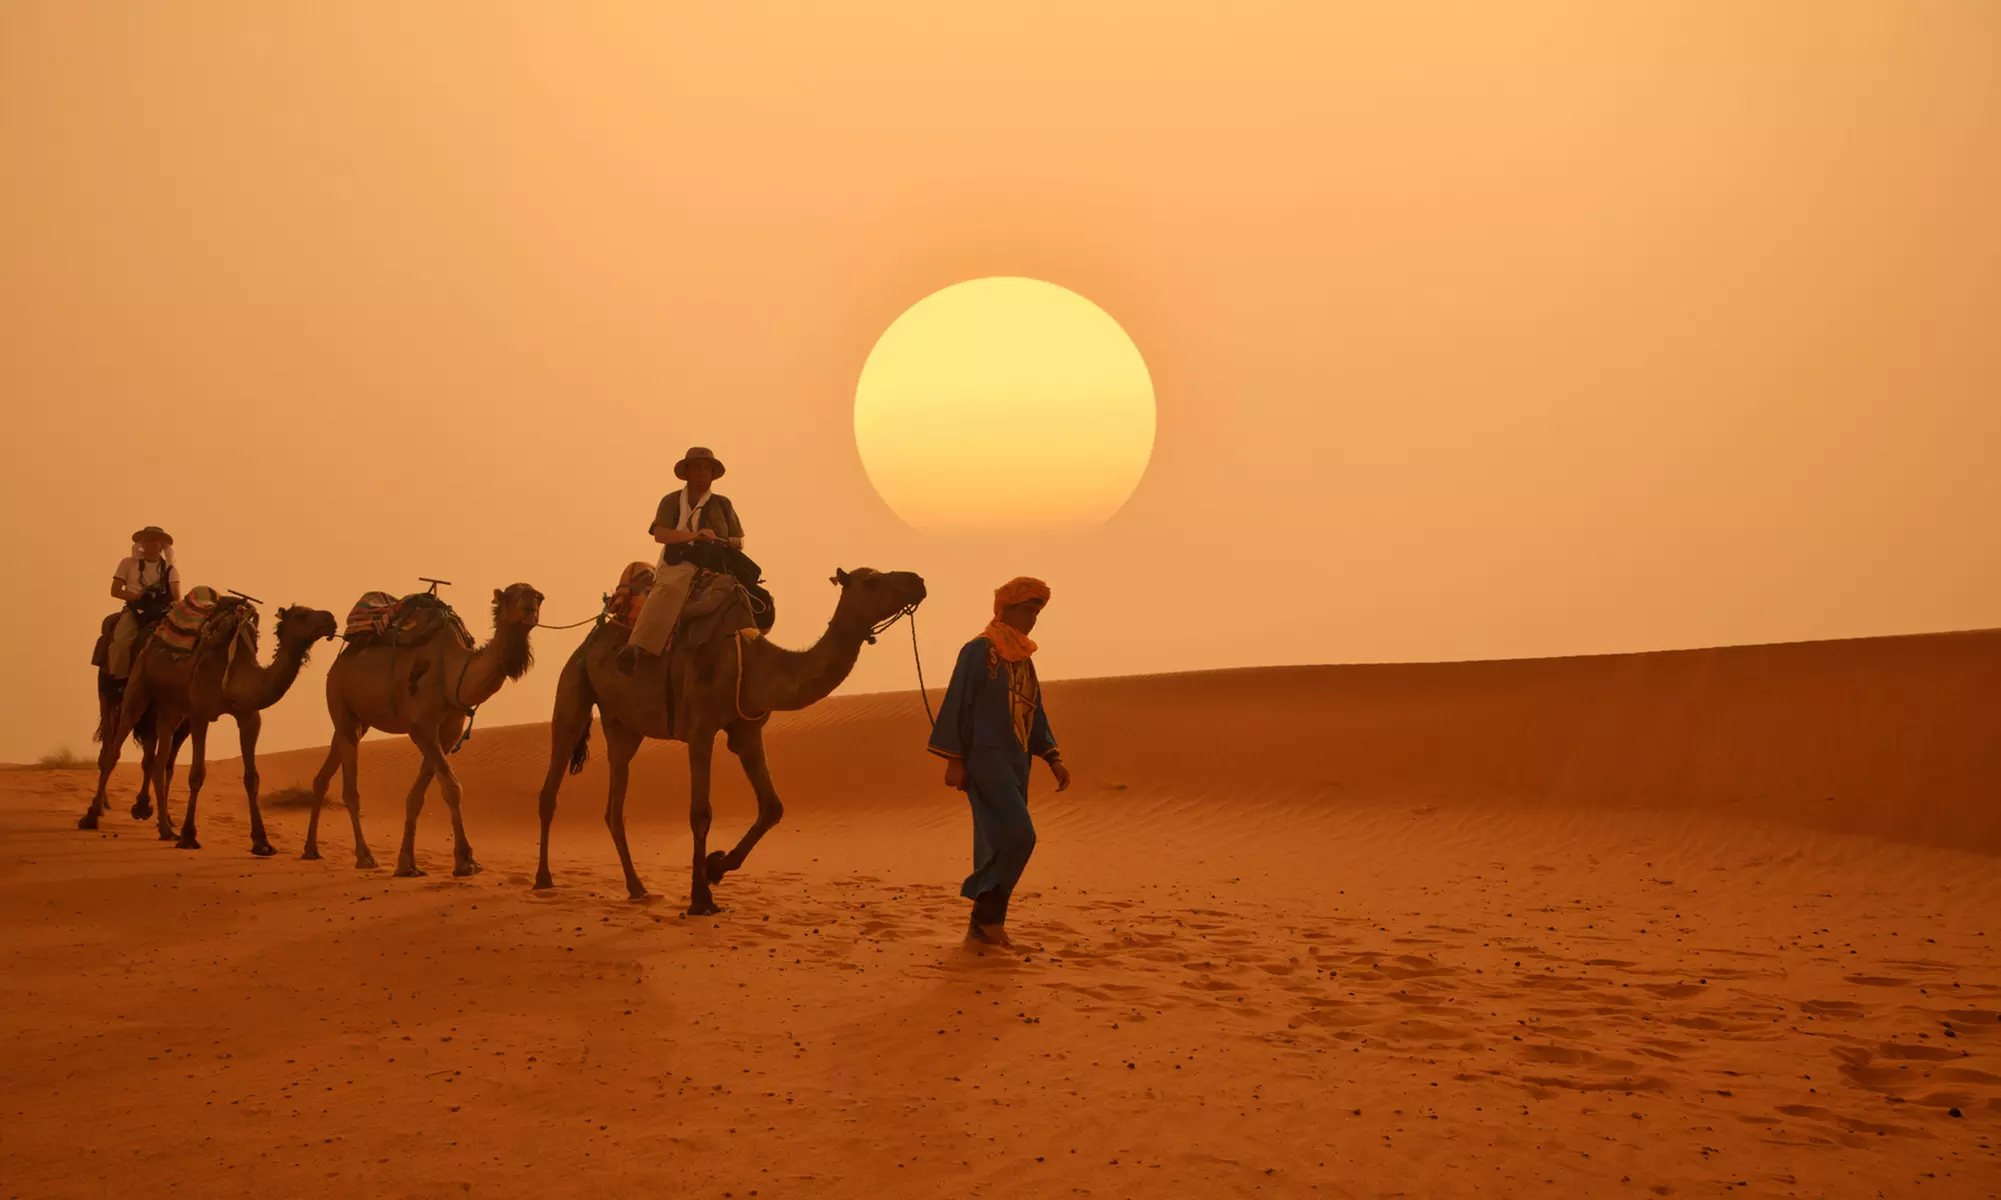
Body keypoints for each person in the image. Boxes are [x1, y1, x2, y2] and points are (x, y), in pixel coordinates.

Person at [927, 576, 1072, 948]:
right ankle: (982, 910)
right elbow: (957, 703)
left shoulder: (1023, 659)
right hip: (985, 759)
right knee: (1020, 837)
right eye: (1027, 609)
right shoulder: (978, 650)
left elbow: (1033, 710)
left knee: (1000, 841)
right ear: (1005, 609)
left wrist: (1052, 756)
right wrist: (954, 760)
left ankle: (988, 927)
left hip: (1016, 761)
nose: (1033, 618)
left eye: (1038, 611)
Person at [618, 446, 745, 673]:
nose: (702, 472)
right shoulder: (672, 501)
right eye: (697, 467)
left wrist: (726, 541)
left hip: (719, 563)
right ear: (687, 472)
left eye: (707, 468)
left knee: (751, 596)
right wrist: (695, 536)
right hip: (680, 561)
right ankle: (638, 645)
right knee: (671, 587)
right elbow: (660, 535)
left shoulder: (723, 504)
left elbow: (739, 540)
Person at [106, 525, 182, 679]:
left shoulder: (170, 569)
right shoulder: (128, 563)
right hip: (135, 611)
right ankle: (119, 680)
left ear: (162, 545)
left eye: (154, 540)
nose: (150, 543)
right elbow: (115, 591)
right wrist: (137, 596)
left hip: (161, 613)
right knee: (121, 644)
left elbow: (176, 596)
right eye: (146, 540)